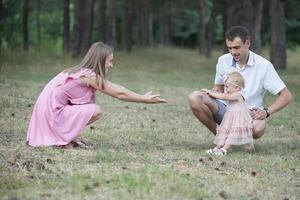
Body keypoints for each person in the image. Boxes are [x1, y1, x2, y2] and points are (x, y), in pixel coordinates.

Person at [26, 42, 166, 148]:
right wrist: (144, 98)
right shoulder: (89, 76)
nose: (111, 65)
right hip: (50, 116)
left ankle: (66, 137)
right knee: (95, 111)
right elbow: (119, 93)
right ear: (100, 60)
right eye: (110, 61)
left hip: (46, 114)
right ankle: (63, 137)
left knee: (89, 107)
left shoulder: (78, 71)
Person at [188, 25, 292, 140]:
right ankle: (220, 137)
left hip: (249, 114)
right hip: (225, 111)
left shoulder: (264, 66)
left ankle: (238, 136)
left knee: (257, 129)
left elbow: (286, 96)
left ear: (247, 43)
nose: (233, 52)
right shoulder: (223, 60)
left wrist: (267, 111)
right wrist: (212, 92)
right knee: (194, 97)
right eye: (230, 48)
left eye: (236, 47)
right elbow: (218, 87)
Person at [202, 72, 253, 155]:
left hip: (238, 117)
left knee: (232, 133)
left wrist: (211, 94)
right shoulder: (232, 93)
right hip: (230, 116)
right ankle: (217, 147)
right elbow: (222, 95)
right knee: (224, 132)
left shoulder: (238, 94)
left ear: (236, 87)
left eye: (227, 86)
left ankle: (225, 149)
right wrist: (210, 91)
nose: (225, 89)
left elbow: (225, 97)